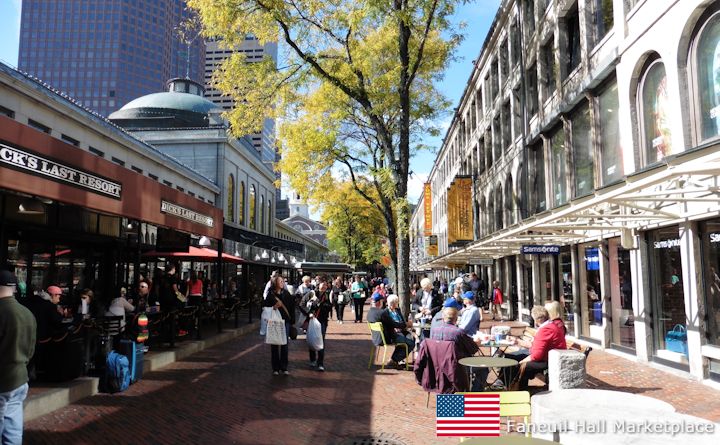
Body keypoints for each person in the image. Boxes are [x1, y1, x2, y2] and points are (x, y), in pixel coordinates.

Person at [0, 270, 36, 444]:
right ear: (14, 288)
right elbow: (30, 351)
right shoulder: (27, 313)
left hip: (2, 379)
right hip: (20, 378)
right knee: (13, 431)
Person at [506, 306, 567, 390]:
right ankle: (508, 385)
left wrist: (523, 361)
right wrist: (518, 341)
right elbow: (537, 346)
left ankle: (517, 389)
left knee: (518, 363)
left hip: (550, 360)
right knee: (511, 357)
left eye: (533, 318)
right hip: (547, 357)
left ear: (537, 320)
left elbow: (537, 355)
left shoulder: (546, 329)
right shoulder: (549, 326)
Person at [367, 293, 414, 369]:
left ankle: (395, 360)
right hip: (388, 338)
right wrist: (406, 325)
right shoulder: (382, 313)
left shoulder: (369, 313)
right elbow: (393, 324)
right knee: (411, 343)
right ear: (379, 302)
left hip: (376, 338)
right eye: (382, 301)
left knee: (405, 340)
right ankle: (394, 360)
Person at [263, 275, 295, 375]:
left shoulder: (287, 294)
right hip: (275, 321)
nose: (282, 283)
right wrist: (274, 307)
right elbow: (264, 307)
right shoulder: (270, 294)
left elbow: (291, 308)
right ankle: (275, 368)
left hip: (285, 321)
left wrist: (291, 321)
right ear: (275, 282)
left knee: (284, 344)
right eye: (280, 281)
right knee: (275, 344)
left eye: (283, 281)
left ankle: (284, 367)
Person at [302, 281, 332, 371]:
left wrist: (326, 304)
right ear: (318, 285)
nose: (324, 286)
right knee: (312, 338)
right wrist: (309, 313)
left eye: (326, 285)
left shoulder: (327, 295)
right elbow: (302, 304)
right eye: (323, 284)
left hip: (322, 321)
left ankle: (320, 363)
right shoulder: (311, 293)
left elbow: (330, 307)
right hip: (312, 320)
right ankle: (312, 359)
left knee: (320, 340)